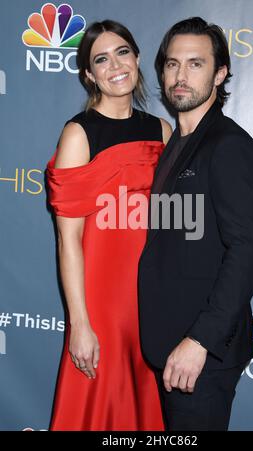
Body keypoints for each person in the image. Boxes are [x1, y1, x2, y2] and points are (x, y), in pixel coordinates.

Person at [138, 17, 253, 431]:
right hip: (166, 346)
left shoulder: (229, 147)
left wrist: (200, 342)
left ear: (220, 73)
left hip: (201, 356)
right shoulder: (174, 145)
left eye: (196, 64)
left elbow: (247, 251)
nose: (180, 75)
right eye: (172, 64)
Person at [46, 20, 172, 431]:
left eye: (122, 52)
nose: (115, 65)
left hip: (150, 299)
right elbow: (69, 240)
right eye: (101, 58)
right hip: (101, 302)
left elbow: (172, 224)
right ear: (89, 74)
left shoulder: (162, 130)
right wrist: (80, 323)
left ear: (136, 58)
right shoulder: (79, 134)